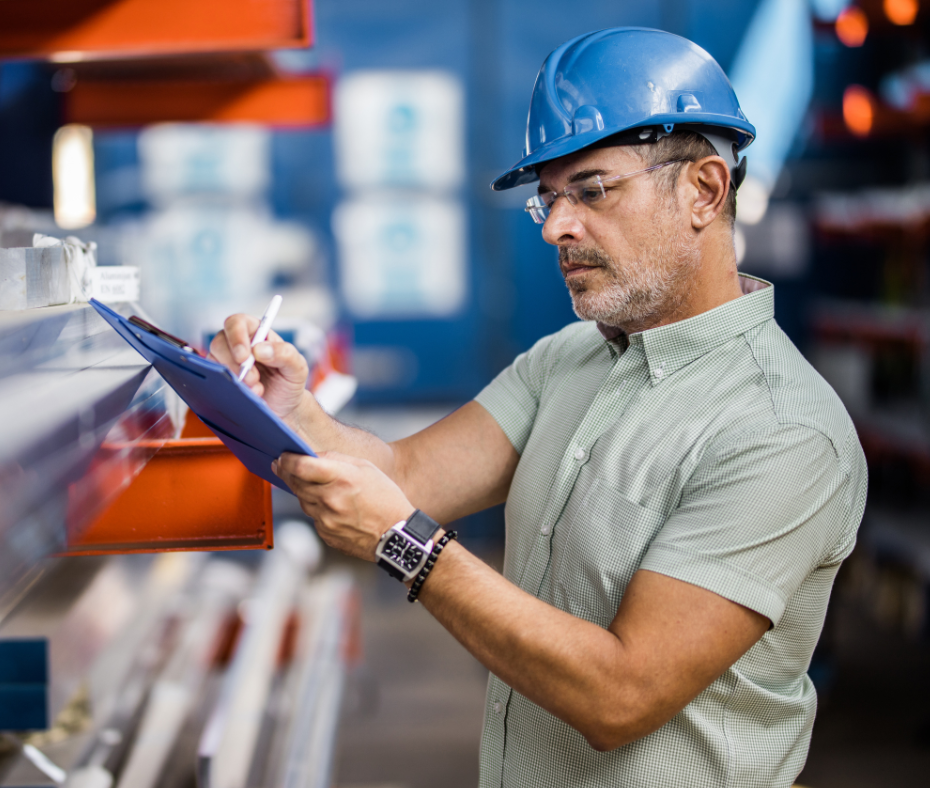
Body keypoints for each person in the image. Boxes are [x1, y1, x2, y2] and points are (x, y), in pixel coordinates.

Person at [210, 28, 867, 788]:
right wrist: (295, 411)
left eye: (591, 191)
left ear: (705, 190)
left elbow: (621, 695)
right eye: (550, 200)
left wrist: (407, 547)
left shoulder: (781, 434)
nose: (557, 226)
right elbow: (406, 474)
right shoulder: (571, 358)